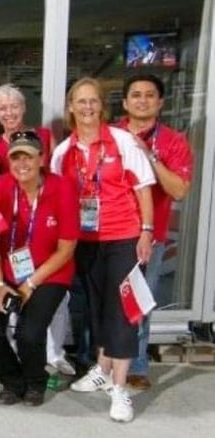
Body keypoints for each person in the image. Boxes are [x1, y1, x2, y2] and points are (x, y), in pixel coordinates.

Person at [51, 77, 155, 423]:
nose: (87, 107)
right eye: (81, 102)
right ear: (71, 107)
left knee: (123, 311)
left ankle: (120, 388)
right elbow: (57, 198)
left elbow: (143, 190)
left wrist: (146, 231)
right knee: (96, 308)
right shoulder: (63, 152)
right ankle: (101, 368)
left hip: (123, 236)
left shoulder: (123, 141)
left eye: (93, 101)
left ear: (102, 106)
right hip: (86, 241)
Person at [0, 131, 79, 407]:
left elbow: (66, 249)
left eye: (28, 157)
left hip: (50, 272)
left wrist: (31, 283)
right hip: (6, 270)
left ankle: (35, 381)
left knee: (29, 332)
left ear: (41, 158)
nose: (22, 163)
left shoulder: (63, 188)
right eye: (15, 157)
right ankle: (12, 380)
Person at [0, 84, 73, 377]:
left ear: (24, 108)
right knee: (14, 310)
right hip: (15, 240)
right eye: (2, 108)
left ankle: (55, 353)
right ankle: (22, 358)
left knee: (54, 302)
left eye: (14, 106)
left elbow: (49, 178)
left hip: (47, 234)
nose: (9, 112)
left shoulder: (45, 138)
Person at [115, 74, 193, 390]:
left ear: (160, 103)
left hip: (151, 237)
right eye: (136, 95)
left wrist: (148, 156)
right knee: (105, 300)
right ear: (125, 102)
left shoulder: (174, 141)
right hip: (109, 233)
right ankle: (95, 360)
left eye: (150, 95)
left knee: (140, 301)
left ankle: (136, 364)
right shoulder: (112, 134)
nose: (142, 100)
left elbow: (180, 190)